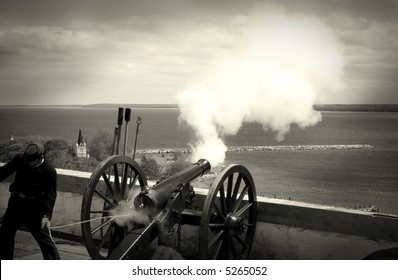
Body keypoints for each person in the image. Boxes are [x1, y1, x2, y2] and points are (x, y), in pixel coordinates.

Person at [0, 142, 60, 260]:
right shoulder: (20, 159)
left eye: (31, 161)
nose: (27, 162)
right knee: (5, 236)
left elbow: (50, 195)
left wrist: (46, 216)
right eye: (27, 159)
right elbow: (2, 173)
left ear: (40, 158)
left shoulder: (49, 171)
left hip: (34, 208)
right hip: (15, 204)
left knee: (46, 243)